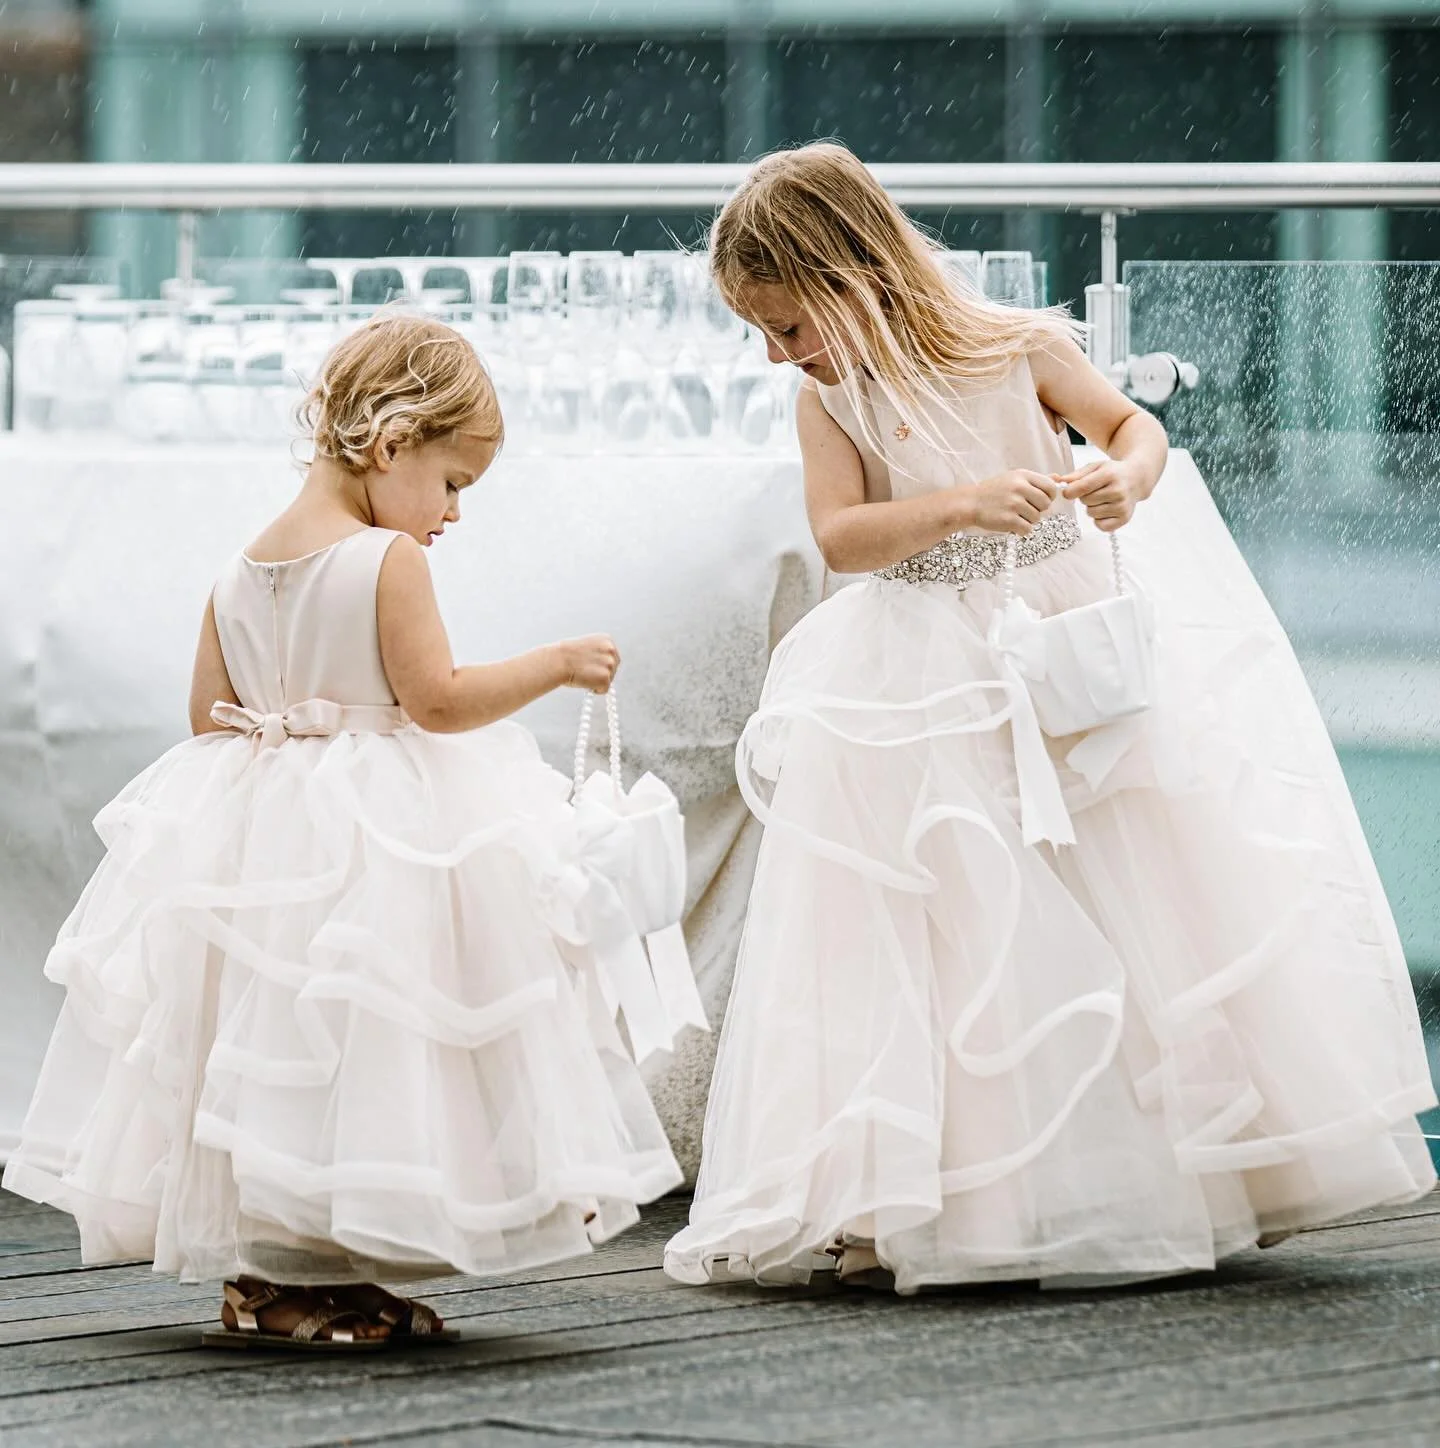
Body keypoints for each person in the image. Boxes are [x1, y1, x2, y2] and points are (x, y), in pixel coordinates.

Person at [664, 143, 1436, 1292]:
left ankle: (1183, 1169)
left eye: (787, 322)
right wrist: (960, 502)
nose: (780, 352)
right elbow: (842, 536)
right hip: (920, 657)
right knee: (952, 915)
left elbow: (1134, 431)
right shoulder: (828, 396)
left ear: (853, 274)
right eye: (764, 335)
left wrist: (1127, 476)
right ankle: (935, 1189)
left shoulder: (1020, 345)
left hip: (1053, 629)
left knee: (1119, 887)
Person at [4, 312, 688, 1348]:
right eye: (453, 481)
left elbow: (207, 718)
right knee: (358, 1050)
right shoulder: (384, 562)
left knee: (268, 1050)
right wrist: (555, 662)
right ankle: (289, 1279)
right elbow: (438, 700)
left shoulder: (236, 571)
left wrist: (290, 728)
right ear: (391, 440)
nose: (453, 513)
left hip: (256, 831)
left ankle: (300, 1270)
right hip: (372, 837)